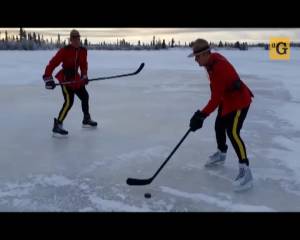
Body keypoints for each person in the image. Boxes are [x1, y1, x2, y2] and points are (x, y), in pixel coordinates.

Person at [188, 39, 254, 192]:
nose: (196, 60)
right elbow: (217, 95)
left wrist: (201, 115)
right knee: (219, 125)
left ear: (205, 54)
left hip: (239, 101)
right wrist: (202, 115)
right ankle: (221, 153)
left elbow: (215, 98)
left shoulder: (219, 68)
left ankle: (246, 171)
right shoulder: (211, 62)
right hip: (227, 99)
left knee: (233, 132)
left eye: (197, 57)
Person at [42, 29, 97, 137]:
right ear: (70, 40)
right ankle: (58, 124)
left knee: (85, 96)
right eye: (74, 38)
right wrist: (48, 77)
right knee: (69, 102)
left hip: (76, 79)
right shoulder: (65, 50)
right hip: (65, 79)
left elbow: (83, 65)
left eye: (78, 38)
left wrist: (84, 76)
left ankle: (86, 119)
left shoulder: (83, 51)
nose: (76, 40)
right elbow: (53, 63)